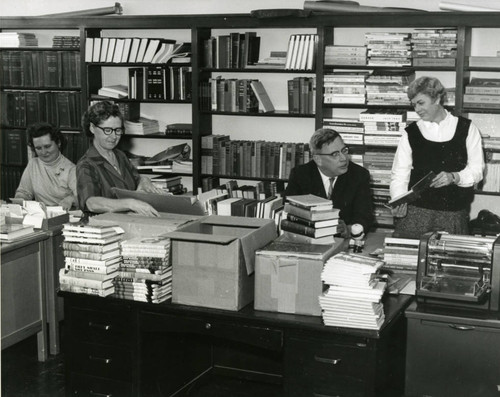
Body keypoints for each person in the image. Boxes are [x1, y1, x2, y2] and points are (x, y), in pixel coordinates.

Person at [390, 76, 484, 238]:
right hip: (415, 214)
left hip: (453, 214)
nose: (417, 110)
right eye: (413, 105)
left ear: (437, 99)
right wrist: (399, 201)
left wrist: (454, 177)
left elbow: (477, 171)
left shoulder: (467, 128)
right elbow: (399, 174)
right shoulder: (410, 133)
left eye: (421, 103)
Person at [77, 100, 165, 217]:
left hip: (130, 221)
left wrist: (144, 181)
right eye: (107, 130)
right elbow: (91, 203)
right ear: (92, 128)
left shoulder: (120, 155)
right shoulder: (86, 164)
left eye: (118, 130)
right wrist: (130, 203)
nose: (114, 136)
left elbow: (136, 180)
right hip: (104, 228)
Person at [285, 128, 374, 237]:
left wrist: (349, 229)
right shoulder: (300, 175)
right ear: (318, 159)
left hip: (343, 241)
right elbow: (289, 212)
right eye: (335, 154)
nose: (343, 158)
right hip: (309, 237)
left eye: (344, 150)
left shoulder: (359, 175)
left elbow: (365, 216)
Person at [15, 122, 77, 210]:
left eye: (47, 146)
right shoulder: (33, 164)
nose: (43, 152)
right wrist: (20, 198)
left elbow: (82, 197)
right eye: (38, 148)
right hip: (39, 216)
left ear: (58, 143)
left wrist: (70, 199)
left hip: (65, 216)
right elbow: (24, 192)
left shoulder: (71, 169)